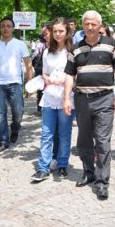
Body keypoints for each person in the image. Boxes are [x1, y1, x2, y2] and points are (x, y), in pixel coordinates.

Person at [63, 10, 115, 200]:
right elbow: (69, 75)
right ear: (83, 26)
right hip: (82, 99)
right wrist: (66, 98)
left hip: (105, 98)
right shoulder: (75, 48)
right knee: (83, 140)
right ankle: (88, 172)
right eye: (87, 24)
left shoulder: (112, 45)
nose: (90, 27)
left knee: (102, 141)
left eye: (93, 24)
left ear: (100, 26)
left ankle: (102, 181)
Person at [31, 18, 75, 182]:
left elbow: (75, 74)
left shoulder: (72, 52)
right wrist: (48, 79)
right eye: (55, 31)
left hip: (66, 96)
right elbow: (44, 72)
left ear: (67, 32)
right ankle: (43, 167)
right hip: (49, 97)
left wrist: (64, 80)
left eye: (60, 31)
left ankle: (62, 164)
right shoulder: (47, 52)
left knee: (64, 133)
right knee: (47, 133)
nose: (57, 34)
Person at [0, 16, 34, 152]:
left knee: (18, 112)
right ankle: (3, 140)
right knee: (0, 114)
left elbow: (28, 65)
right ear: (0, 29)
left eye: (8, 26)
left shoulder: (20, 44)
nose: (5, 28)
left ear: (13, 29)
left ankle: (15, 127)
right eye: (3, 26)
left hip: (15, 84)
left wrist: (29, 84)